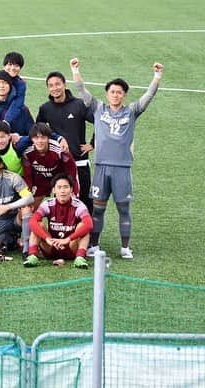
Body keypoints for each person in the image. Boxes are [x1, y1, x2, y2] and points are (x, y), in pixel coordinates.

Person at [70, 58, 163, 259]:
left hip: (122, 168)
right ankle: (94, 245)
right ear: (107, 94)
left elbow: (149, 96)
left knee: (123, 208)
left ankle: (125, 247)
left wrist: (157, 76)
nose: (115, 95)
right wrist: (75, 69)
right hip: (102, 167)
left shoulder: (131, 111)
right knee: (98, 209)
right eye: (112, 91)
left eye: (119, 92)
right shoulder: (98, 108)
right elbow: (81, 91)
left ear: (124, 95)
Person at [36, 71, 95, 213]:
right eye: (51, 85)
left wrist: (93, 143)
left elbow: (100, 122)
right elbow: (38, 130)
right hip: (57, 164)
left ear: (64, 85)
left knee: (85, 200)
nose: (54, 88)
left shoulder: (79, 105)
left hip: (79, 162)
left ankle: (89, 233)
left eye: (57, 84)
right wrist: (55, 138)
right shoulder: (45, 108)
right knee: (60, 201)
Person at [20, 122, 78, 255]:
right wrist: (27, 194)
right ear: (32, 139)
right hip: (39, 182)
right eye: (36, 138)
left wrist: (73, 188)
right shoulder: (27, 152)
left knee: (68, 207)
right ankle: (26, 241)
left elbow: (71, 167)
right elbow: (27, 174)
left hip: (59, 180)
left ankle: (69, 240)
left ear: (48, 138)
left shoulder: (58, 149)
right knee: (27, 208)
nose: (39, 141)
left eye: (43, 137)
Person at [24, 174, 92, 269]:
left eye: (66, 187)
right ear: (53, 190)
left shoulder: (79, 205)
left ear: (71, 189)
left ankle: (80, 257)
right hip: (51, 246)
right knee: (38, 224)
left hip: (71, 246)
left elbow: (89, 224)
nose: (62, 191)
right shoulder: (47, 204)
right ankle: (33, 256)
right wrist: (47, 238)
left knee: (83, 226)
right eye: (59, 187)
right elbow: (32, 222)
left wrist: (67, 239)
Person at [0, 51, 28, 131]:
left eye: (16, 65)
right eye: (10, 64)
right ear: (4, 66)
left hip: (11, 119)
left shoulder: (20, 84)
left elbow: (17, 105)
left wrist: (6, 122)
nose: (13, 68)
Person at [0, 70, 34, 139]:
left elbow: (33, 134)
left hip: (18, 147)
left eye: (5, 83)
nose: (1, 86)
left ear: (10, 86)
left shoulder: (23, 109)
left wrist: (20, 138)